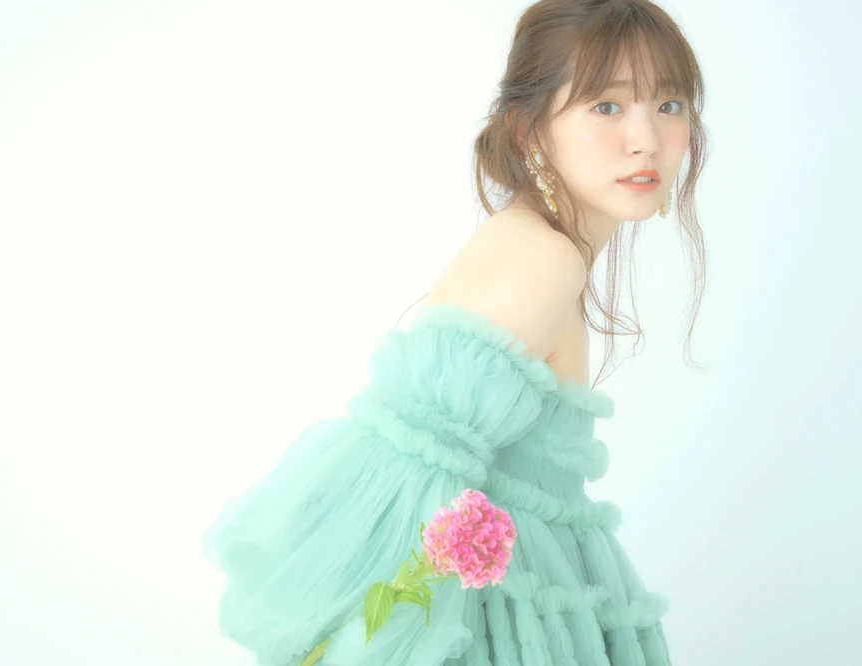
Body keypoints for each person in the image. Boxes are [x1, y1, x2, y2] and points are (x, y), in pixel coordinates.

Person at [202, 0, 709, 664]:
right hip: (494, 624)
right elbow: (402, 476)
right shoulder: (542, 258)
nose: (645, 139)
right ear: (529, 128)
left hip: (527, 598)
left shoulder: (539, 244)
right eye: (606, 106)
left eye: (669, 105)